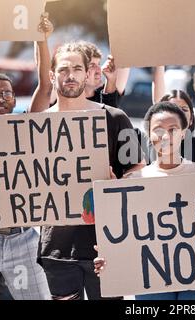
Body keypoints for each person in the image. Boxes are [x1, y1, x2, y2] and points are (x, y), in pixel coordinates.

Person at [36, 42, 145, 300]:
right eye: (63, 70)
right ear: (52, 76)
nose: (70, 76)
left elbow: (139, 170)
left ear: (88, 74)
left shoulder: (116, 118)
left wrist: (119, 183)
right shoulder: (38, 126)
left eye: (77, 69)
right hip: (57, 250)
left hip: (106, 247)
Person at [95, 102, 195, 300]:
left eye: (173, 129)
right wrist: (110, 255)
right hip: (151, 280)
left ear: (184, 133)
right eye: (158, 130)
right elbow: (123, 233)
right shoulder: (132, 182)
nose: (166, 136)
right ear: (148, 136)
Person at [0, 73, 51, 300]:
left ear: (14, 99)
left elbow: (45, 88)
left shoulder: (25, 128)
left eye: (6, 93)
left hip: (24, 239)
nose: (1, 98)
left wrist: (40, 38)